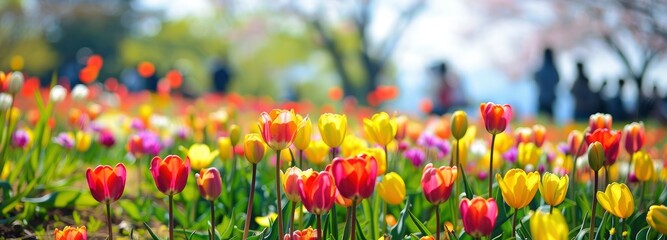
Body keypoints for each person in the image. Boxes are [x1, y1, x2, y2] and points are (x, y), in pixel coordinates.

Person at [534, 48, 559, 117]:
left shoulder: (541, 70)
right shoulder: (554, 70)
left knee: (541, 119)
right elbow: (557, 80)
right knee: (550, 119)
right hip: (551, 98)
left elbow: (535, 78)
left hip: (542, 97)